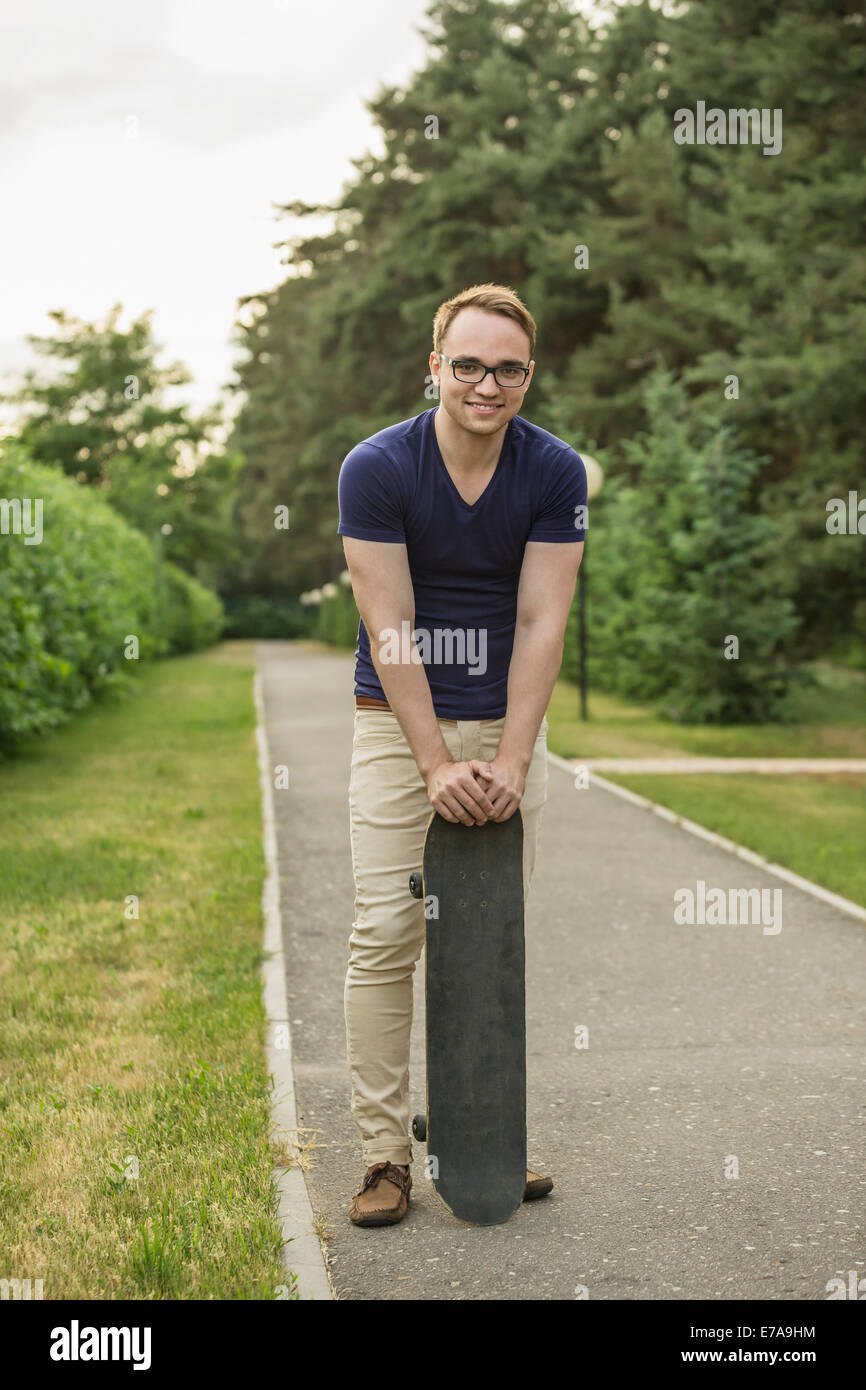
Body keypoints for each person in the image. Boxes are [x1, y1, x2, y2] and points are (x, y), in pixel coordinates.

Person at [337, 282, 586, 1226]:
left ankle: (483, 1137)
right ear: (435, 365)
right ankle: (383, 1156)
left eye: (510, 368)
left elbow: (540, 619)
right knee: (388, 934)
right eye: (471, 364)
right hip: (396, 724)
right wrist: (436, 763)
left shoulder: (553, 472)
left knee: (485, 930)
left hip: (505, 722)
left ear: (528, 375)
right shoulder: (378, 467)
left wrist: (512, 762)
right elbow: (389, 624)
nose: (489, 383)